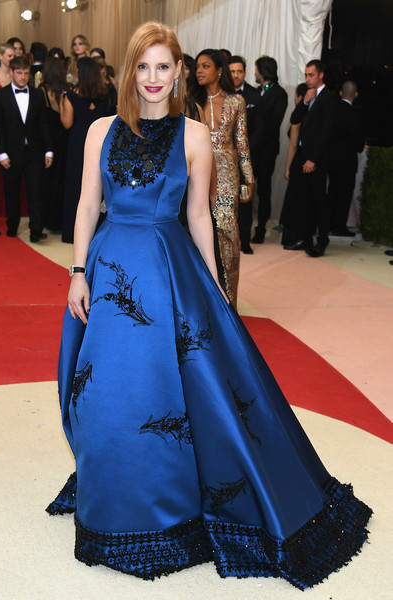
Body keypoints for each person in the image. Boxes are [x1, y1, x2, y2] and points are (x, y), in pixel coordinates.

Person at [46, 22, 371, 589]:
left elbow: (199, 215)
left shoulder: (195, 135)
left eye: (163, 67)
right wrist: (76, 272)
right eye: (142, 67)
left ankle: (167, 503)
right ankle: (112, 492)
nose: (152, 78)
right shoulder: (100, 130)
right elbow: (86, 207)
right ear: (130, 72)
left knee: (172, 390)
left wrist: (216, 286)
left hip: (167, 270)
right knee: (103, 391)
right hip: (109, 266)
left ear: (179, 72)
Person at [194, 48, 254, 307]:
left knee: (228, 234)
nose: (199, 70)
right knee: (197, 234)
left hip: (227, 177)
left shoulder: (236, 102)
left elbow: (242, 143)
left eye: (205, 66)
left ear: (219, 70)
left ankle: (229, 304)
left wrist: (248, 179)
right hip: (197, 173)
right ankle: (200, 304)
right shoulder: (189, 101)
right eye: (197, 66)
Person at [0, 55, 53, 241]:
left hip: (34, 152)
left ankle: (36, 230)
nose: (23, 77)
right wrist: (2, 153)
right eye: (19, 73)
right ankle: (12, 225)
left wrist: (49, 150)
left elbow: (44, 124)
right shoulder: (0, 96)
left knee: (36, 192)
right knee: (11, 191)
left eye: (26, 73)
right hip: (11, 152)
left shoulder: (37, 94)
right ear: (11, 72)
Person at [60, 56, 116, 243]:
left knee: (75, 186)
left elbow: (66, 123)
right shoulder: (107, 94)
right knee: (99, 187)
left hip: (78, 143)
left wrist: (60, 103)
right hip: (102, 142)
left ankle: (72, 231)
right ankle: (98, 230)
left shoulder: (70, 95)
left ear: (80, 73)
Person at [290, 60, 338, 257]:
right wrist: (304, 102)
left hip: (317, 159)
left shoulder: (329, 98)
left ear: (321, 75)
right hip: (303, 156)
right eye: (306, 75)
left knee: (319, 201)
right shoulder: (308, 95)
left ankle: (322, 239)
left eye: (311, 75)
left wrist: (313, 159)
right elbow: (294, 119)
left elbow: (327, 132)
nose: (308, 79)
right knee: (304, 200)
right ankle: (306, 239)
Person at [229, 55, 263, 254]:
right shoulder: (220, 94)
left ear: (245, 72)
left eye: (239, 71)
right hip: (223, 159)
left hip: (246, 159)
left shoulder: (254, 96)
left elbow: (259, 128)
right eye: (232, 71)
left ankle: (245, 241)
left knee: (245, 200)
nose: (235, 75)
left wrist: (244, 151)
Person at [252, 56, 288, 244]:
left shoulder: (280, 94)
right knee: (247, 189)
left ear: (263, 71)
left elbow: (274, 124)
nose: (254, 73)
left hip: (266, 151)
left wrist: (255, 139)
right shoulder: (255, 91)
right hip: (251, 150)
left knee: (263, 191)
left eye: (256, 69)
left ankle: (261, 229)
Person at [328, 80, 364, 236]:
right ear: (355, 95)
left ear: (341, 93)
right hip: (347, 162)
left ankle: (328, 224)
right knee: (344, 196)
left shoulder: (331, 111)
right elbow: (359, 143)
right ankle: (339, 227)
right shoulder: (354, 115)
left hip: (331, 160)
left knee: (332, 193)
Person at [40, 57, 70, 232]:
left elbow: (40, 120)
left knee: (48, 184)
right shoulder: (67, 91)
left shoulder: (42, 91)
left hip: (48, 142)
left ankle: (47, 220)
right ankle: (60, 221)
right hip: (65, 141)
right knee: (62, 182)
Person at [279, 83, 308, 249]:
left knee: (294, 199)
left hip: (297, 161)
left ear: (299, 96)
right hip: (304, 160)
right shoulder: (309, 113)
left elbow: (293, 145)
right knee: (300, 199)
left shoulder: (299, 114)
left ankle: (293, 237)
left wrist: (287, 167)